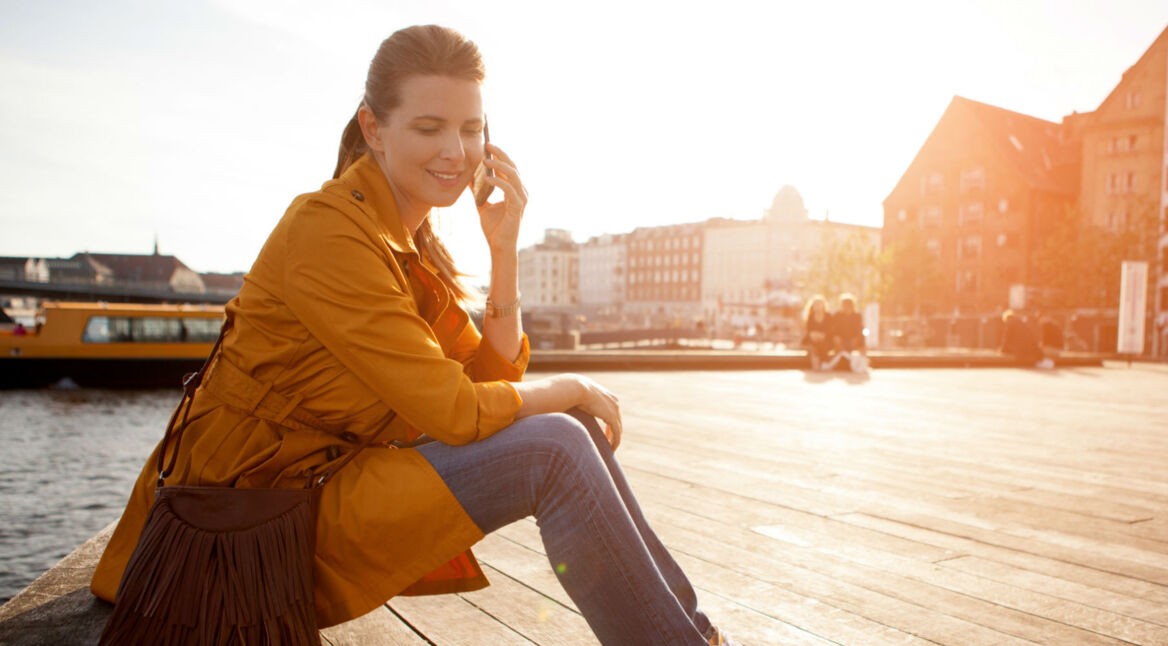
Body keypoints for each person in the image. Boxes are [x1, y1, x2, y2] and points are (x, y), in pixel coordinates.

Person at [91, 25, 736, 646]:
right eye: (429, 128)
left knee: (570, 433)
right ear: (374, 128)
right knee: (557, 444)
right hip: (233, 532)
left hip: (311, 493)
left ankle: (693, 635)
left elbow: (487, 389)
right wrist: (570, 386)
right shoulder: (328, 231)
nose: (456, 151)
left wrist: (504, 252)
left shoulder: (407, 244)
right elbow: (459, 413)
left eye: (471, 128)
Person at [826, 293, 867, 373]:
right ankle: (839, 361)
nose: (846, 307)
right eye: (844, 305)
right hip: (840, 340)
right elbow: (833, 330)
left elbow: (860, 330)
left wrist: (856, 339)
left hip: (854, 340)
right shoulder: (837, 315)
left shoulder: (857, 316)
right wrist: (836, 337)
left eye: (848, 305)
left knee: (859, 344)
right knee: (838, 343)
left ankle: (856, 362)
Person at [801, 295, 832, 370]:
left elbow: (830, 330)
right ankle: (818, 361)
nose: (817, 306)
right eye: (815, 304)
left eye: (819, 304)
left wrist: (822, 335)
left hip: (825, 339)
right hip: (812, 338)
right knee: (814, 343)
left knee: (822, 343)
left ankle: (819, 361)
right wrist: (814, 335)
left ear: (823, 305)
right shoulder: (810, 317)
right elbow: (809, 330)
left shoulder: (828, 316)